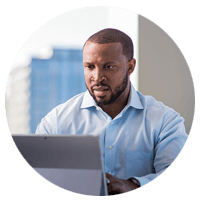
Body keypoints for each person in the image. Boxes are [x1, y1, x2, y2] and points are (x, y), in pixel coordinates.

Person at [36, 28, 188, 195]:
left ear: (130, 67)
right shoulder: (56, 121)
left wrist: (133, 185)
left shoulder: (165, 121)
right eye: (90, 66)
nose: (97, 76)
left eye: (108, 67)